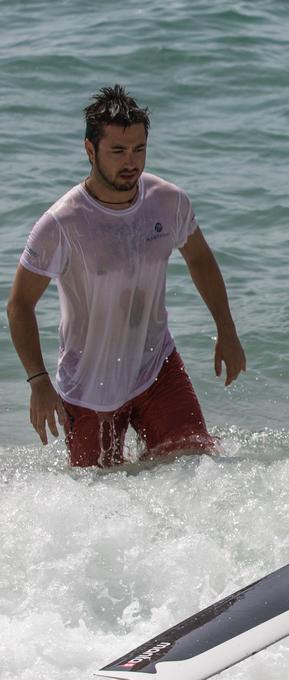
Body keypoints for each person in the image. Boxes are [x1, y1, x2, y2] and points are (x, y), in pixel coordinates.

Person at [7, 85, 246, 467]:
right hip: (88, 389)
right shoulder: (61, 224)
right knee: (98, 497)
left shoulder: (168, 202)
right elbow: (19, 304)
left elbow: (199, 259)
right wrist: (38, 381)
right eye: (118, 151)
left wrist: (227, 330)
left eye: (139, 149)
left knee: (195, 467)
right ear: (90, 150)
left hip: (156, 367)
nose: (131, 161)